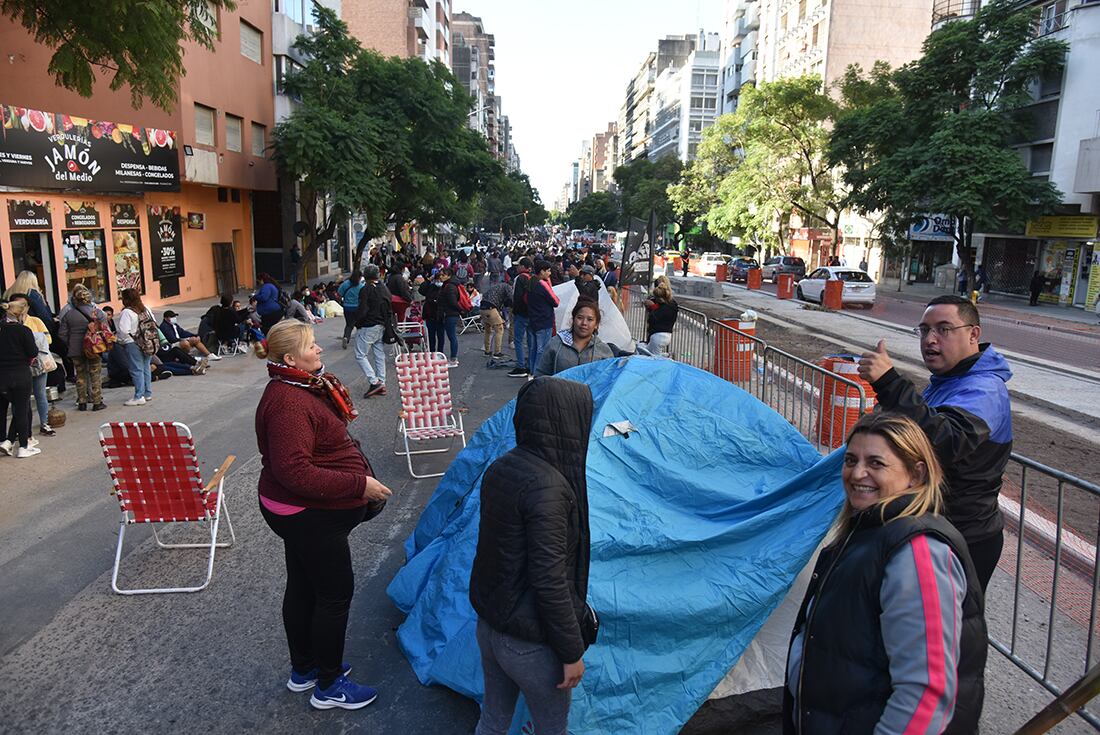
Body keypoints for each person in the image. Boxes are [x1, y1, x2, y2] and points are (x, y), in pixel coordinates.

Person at [784, 412, 986, 735]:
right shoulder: (868, 529)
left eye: (876, 463)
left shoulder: (917, 552)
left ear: (916, 474)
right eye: (851, 460)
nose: (857, 473)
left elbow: (925, 697)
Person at [254, 320, 392, 711]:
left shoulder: (298, 387)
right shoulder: (288, 402)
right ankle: (329, 686)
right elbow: (293, 470)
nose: (319, 350)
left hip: (297, 511)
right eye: (311, 346)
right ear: (289, 358)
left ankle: (306, 670)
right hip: (306, 513)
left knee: (303, 586)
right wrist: (358, 486)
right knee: (333, 595)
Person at [857, 295, 1012, 592]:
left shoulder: (985, 388)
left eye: (943, 329)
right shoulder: (948, 381)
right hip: (933, 526)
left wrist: (890, 384)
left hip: (964, 536)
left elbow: (946, 441)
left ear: (973, 333)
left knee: (947, 629)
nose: (930, 340)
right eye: (924, 330)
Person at [469, 377, 595, 735]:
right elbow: (550, 580)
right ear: (569, 420)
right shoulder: (551, 488)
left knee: (493, 717)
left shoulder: (504, 466)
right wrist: (571, 653)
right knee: (551, 727)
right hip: (527, 643)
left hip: (490, 626)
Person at [10, 293, 56, 436]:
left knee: (40, 394)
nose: (21, 308)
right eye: (17, 305)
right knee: (18, 398)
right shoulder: (8, 324)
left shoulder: (36, 321)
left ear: (28, 307)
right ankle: (18, 428)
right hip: (18, 365)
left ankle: (44, 423)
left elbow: (48, 339)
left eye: (23, 305)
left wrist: (34, 340)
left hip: (38, 363)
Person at [0, 295, 39, 457]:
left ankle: (4, 441)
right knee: (21, 409)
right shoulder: (24, 331)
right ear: (21, 314)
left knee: (1, 410)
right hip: (20, 374)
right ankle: (23, 446)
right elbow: (33, 352)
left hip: (2, 375)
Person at [59, 283, 108, 411]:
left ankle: (82, 402)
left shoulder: (69, 315)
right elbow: (105, 330)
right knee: (95, 374)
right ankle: (97, 402)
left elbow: (62, 334)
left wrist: (71, 343)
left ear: (75, 299)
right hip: (94, 348)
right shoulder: (97, 313)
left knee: (80, 375)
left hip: (76, 349)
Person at [533, 299, 614, 377]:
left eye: (590, 319)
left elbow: (609, 381)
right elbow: (541, 375)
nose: (584, 323)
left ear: (596, 324)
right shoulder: (555, 344)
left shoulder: (603, 351)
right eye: (580, 318)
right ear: (573, 320)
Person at [354, 265, 392, 398]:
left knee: (360, 354)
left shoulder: (366, 290)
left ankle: (374, 381)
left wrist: (357, 323)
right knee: (379, 353)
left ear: (365, 276)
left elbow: (363, 309)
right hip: (382, 324)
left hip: (369, 324)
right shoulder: (384, 288)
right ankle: (382, 381)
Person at [117, 288, 158, 407]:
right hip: (148, 342)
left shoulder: (127, 312)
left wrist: (120, 340)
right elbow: (154, 323)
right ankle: (147, 393)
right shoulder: (146, 309)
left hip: (132, 342)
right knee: (146, 367)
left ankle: (138, 396)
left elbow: (124, 330)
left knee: (136, 369)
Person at [526, 261, 560, 375]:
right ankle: (538, 374)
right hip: (544, 320)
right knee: (543, 350)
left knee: (534, 348)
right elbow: (555, 301)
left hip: (532, 319)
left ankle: (532, 371)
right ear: (542, 271)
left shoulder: (531, 282)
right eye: (548, 271)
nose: (549, 273)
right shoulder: (542, 284)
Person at [508, 258, 535, 378]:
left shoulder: (519, 278)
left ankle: (521, 366)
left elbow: (517, 297)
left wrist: (515, 311)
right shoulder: (533, 278)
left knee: (518, 340)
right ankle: (530, 365)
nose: (517, 267)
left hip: (521, 314)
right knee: (531, 340)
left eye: (519, 265)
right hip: (531, 313)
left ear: (524, 267)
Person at [643, 279, 679, 356]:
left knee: (654, 358)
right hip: (667, 334)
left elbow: (653, 318)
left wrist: (652, 307)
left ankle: (668, 357)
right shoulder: (672, 305)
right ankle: (667, 355)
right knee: (646, 351)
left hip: (658, 335)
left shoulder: (664, 308)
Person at [436, 268, 463, 367]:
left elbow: (452, 302)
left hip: (450, 314)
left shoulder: (450, 286)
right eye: (440, 275)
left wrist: (460, 310)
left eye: (443, 275)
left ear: (449, 275)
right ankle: (452, 358)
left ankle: (453, 359)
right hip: (448, 314)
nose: (441, 277)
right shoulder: (448, 285)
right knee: (451, 336)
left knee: (452, 336)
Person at [480, 280, 512, 358]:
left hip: (482, 307)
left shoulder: (495, 287)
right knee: (499, 329)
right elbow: (511, 299)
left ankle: (487, 351)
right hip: (491, 308)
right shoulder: (507, 287)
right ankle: (497, 352)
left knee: (488, 330)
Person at [337, 271, 364, 349]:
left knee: (349, 324)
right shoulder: (361, 286)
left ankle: (346, 337)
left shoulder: (345, 284)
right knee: (359, 325)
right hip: (357, 308)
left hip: (347, 307)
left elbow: (339, 294)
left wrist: (343, 300)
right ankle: (360, 341)